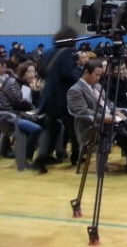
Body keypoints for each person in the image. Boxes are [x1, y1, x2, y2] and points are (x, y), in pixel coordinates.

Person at [67, 60, 127, 174]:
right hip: (91, 126)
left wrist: (116, 111)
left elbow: (108, 103)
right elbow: (83, 112)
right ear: (86, 72)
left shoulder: (97, 86)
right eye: (96, 75)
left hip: (110, 121)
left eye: (100, 75)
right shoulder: (75, 90)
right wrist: (104, 118)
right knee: (118, 130)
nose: (98, 78)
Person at [35, 26, 82, 171]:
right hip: (64, 95)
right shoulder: (67, 53)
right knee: (74, 126)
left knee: (49, 127)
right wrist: (79, 77)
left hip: (49, 95)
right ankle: (76, 155)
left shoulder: (49, 52)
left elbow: (42, 71)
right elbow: (67, 73)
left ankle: (42, 156)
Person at [0, 61, 43, 167]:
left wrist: (35, 90)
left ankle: (45, 155)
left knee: (54, 123)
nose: (33, 74)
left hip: (17, 115)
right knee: (36, 129)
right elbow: (18, 101)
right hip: (8, 118)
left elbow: (33, 102)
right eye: (29, 72)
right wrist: (33, 107)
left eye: (34, 72)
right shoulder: (12, 82)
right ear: (22, 72)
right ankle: (25, 158)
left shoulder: (24, 83)